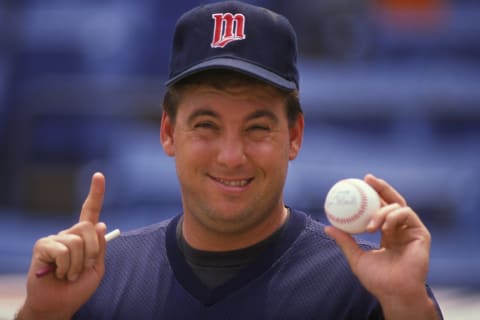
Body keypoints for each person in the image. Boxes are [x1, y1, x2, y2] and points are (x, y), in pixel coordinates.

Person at [16, 1, 443, 319]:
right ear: (168, 132)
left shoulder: (363, 286)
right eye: (206, 125)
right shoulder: (97, 282)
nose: (231, 155)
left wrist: (405, 304)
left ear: (293, 136)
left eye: (257, 128)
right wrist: (41, 314)